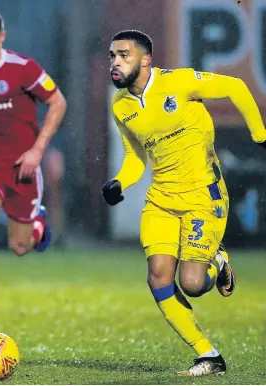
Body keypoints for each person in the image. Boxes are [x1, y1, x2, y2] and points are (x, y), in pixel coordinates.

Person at [102, 30, 266, 376]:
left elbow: (236, 86)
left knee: (192, 283)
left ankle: (218, 261)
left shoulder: (180, 81)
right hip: (160, 199)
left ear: (146, 59)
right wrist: (120, 181)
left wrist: (260, 135)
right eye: (112, 56)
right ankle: (208, 356)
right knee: (158, 278)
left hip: (202, 195)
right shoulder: (121, 105)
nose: (115, 62)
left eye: (124, 56)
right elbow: (136, 158)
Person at [0, 9, 67, 332]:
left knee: (20, 247)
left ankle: (37, 225)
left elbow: (58, 102)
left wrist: (38, 150)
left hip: (22, 168)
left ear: (1, 37)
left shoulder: (22, 68)